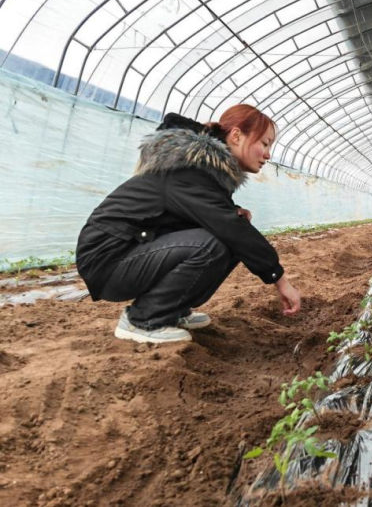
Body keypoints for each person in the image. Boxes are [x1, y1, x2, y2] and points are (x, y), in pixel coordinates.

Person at [76, 105, 301, 344]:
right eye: (264, 144)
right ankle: (143, 320)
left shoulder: (205, 171)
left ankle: (171, 310)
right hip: (108, 259)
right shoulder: (190, 169)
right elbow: (230, 229)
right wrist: (280, 280)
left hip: (130, 250)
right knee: (218, 240)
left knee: (229, 234)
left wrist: (231, 212)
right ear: (236, 136)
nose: (268, 154)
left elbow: (199, 218)